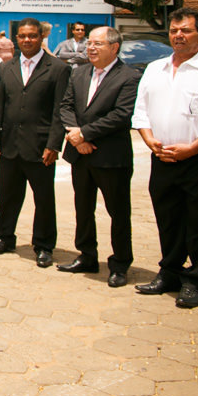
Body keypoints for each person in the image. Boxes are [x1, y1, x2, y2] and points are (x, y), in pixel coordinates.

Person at [132, 9, 198, 308]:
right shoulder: (156, 69)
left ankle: (195, 280)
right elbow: (141, 110)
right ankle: (169, 272)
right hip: (163, 156)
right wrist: (149, 139)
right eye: (174, 30)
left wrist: (192, 148)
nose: (178, 35)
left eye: (186, 30)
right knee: (168, 219)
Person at [58, 26, 141, 287]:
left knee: (118, 212)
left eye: (97, 44)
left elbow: (120, 115)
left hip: (110, 157)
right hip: (81, 155)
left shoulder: (129, 76)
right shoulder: (80, 72)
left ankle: (120, 263)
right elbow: (66, 106)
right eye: (89, 44)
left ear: (114, 47)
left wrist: (85, 135)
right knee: (83, 208)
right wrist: (75, 136)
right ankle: (87, 256)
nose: (90, 48)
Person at [0, 18, 71, 267]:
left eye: (32, 36)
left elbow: (59, 111)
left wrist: (54, 144)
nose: (27, 40)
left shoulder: (57, 69)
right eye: (22, 36)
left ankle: (43, 245)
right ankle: (4, 237)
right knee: (8, 195)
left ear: (41, 37)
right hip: (10, 145)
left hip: (40, 147)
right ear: (17, 39)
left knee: (43, 199)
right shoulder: (8, 67)